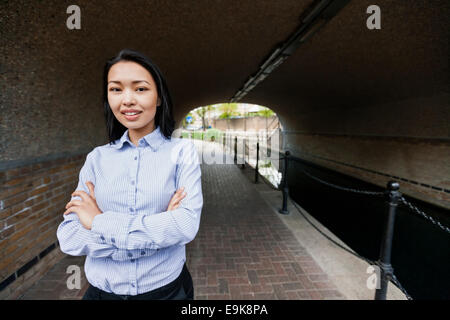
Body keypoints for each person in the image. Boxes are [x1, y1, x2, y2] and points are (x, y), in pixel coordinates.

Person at [56, 49, 203, 300]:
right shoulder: (96, 159)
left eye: (140, 89)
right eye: (116, 89)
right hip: (102, 293)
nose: (127, 100)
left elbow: (185, 226)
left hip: (166, 292)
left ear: (158, 98)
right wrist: (158, 231)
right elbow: (69, 237)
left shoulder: (182, 152)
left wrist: (98, 222)